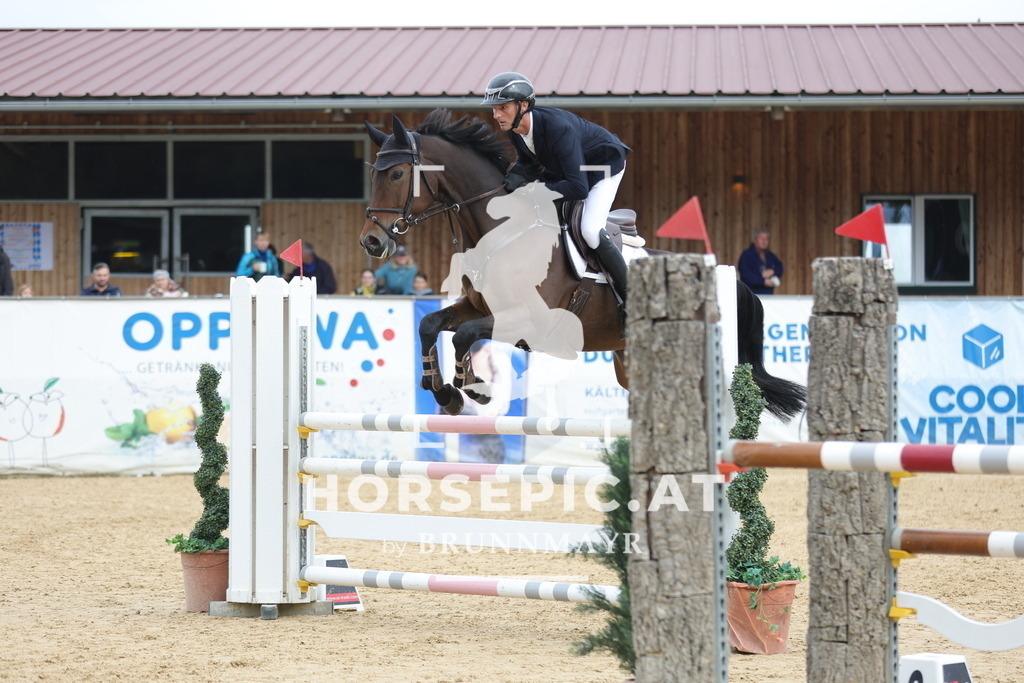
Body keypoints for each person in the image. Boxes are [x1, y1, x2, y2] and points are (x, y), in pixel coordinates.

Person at [481, 71, 631, 321]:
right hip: (571, 169)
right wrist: (509, 180)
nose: (496, 115)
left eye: (502, 107)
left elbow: (578, 189)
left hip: (604, 165)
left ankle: (631, 300)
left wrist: (533, 192)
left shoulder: (558, 129)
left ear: (524, 105)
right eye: (494, 109)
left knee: (590, 230)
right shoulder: (515, 128)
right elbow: (528, 162)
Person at [737, 229, 784, 295]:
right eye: (761, 238)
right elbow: (745, 275)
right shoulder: (746, 255)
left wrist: (773, 271)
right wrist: (763, 281)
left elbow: (780, 268)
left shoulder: (770, 255)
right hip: (751, 295)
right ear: (754, 240)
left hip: (768, 294)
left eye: (766, 239)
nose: (764, 241)